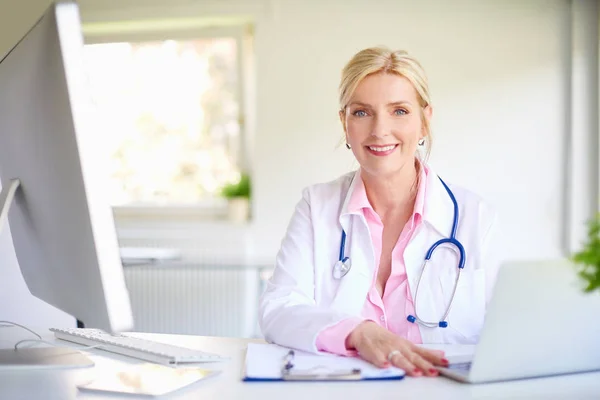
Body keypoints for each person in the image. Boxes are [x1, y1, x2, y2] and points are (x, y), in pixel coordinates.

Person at [258, 47, 499, 378]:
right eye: (361, 113)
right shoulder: (317, 206)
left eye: (399, 111)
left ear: (425, 120)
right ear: (344, 123)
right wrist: (357, 332)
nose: (379, 130)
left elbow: (509, 329)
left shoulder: (476, 216)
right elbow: (278, 309)